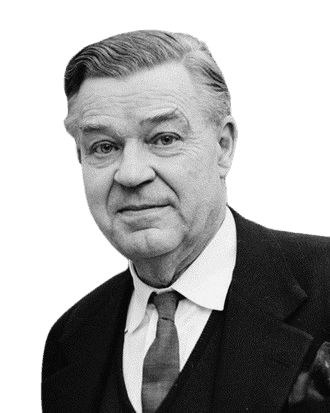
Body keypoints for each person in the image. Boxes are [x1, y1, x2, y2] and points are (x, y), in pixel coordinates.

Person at [41, 30, 330, 412]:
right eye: (104, 147)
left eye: (163, 138)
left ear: (223, 147)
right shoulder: (71, 341)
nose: (131, 174)